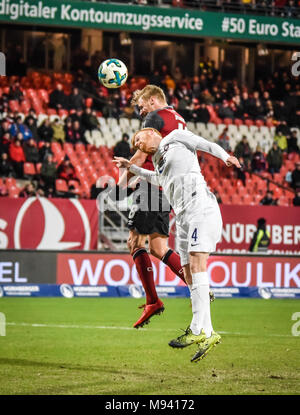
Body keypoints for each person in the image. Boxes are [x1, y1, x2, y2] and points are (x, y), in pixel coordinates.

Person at [114, 127, 240, 362]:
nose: (139, 145)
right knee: (189, 272)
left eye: (139, 139)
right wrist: (130, 167)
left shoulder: (175, 137)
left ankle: (199, 329)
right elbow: (155, 178)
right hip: (181, 217)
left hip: (198, 206)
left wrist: (225, 156)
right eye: (136, 145)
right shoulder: (159, 160)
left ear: (151, 132)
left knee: (196, 263)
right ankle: (205, 331)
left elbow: (204, 143)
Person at [114, 85, 197, 329]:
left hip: (150, 187)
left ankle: (153, 300)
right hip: (167, 187)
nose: (141, 112)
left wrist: (119, 187)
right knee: (159, 247)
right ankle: (197, 287)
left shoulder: (154, 117)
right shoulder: (178, 119)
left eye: (141, 105)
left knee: (135, 243)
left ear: (153, 101)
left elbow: (140, 156)